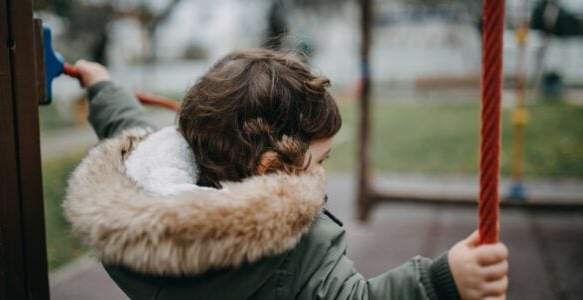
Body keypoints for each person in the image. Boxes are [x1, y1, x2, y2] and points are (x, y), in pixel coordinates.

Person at [64, 49, 508, 300]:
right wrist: (441, 279)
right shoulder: (291, 250)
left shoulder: (144, 207)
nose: (321, 174)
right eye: (319, 161)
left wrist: (101, 86)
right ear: (271, 168)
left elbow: (127, 131)